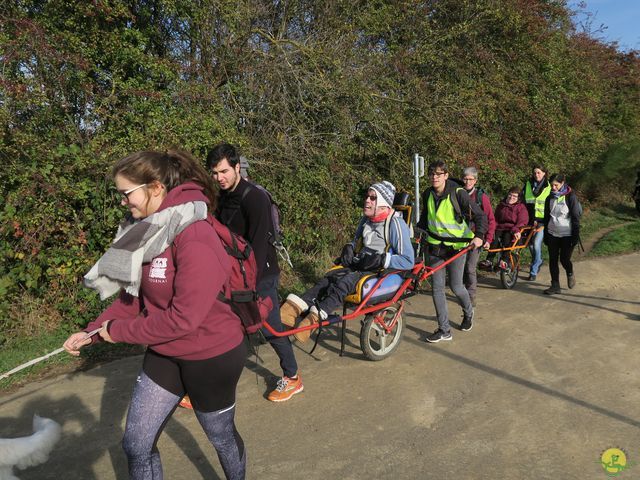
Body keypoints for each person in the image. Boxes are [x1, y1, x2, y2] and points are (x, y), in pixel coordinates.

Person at [63, 150, 247, 480]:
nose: (123, 202)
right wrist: (92, 332)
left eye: (126, 193)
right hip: (166, 351)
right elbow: (131, 299)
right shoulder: (143, 232)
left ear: (156, 187)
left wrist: (117, 332)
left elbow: (184, 319)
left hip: (211, 354)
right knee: (136, 444)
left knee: (220, 437)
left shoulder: (195, 234)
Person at [207, 143, 302, 403]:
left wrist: (250, 286)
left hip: (260, 274)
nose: (220, 178)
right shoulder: (223, 197)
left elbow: (260, 244)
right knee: (219, 328)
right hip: (232, 274)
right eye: (215, 173)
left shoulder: (255, 198)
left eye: (224, 171)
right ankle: (207, 386)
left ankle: (292, 377)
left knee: (271, 328)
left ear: (238, 167)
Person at [279, 181, 414, 342]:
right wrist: (349, 247)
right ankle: (290, 311)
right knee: (328, 279)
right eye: (367, 196)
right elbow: (355, 241)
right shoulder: (366, 220)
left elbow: (408, 260)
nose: (367, 201)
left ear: (384, 204)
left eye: (372, 198)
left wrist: (382, 259)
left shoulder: (396, 224)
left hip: (378, 271)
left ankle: (313, 320)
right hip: (360, 263)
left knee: (344, 283)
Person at [416, 160, 487, 343]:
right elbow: (425, 218)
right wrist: (417, 232)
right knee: (437, 289)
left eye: (438, 174)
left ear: (446, 176)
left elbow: (480, 216)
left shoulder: (458, 193)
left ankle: (468, 313)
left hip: (457, 248)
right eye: (432, 174)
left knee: (456, 287)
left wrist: (479, 235)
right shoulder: (427, 194)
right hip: (435, 248)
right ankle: (444, 329)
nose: (434, 177)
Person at [460, 167, 496, 306]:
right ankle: (462, 290)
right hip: (460, 236)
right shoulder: (457, 193)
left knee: (470, 267)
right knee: (461, 266)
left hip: (476, 237)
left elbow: (490, 219)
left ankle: (471, 295)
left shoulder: (482, 198)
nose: (467, 181)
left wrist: (488, 239)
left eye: (470, 179)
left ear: (475, 180)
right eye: (465, 178)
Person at [543, 173, 581, 295]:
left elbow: (575, 218)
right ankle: (555, 285)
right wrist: (545, 235)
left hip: (567, 235)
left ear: (562, 183)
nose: (553, 188)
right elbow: (546, 217)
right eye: (551, 185)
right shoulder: (549, 198)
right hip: (552, 233)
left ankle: (570, 273)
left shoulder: (571, 197)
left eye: (556, 185)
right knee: (553, 260)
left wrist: (575, 237)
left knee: (564, 260)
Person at [481, 187, 529, 270]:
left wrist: (516, 230)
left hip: (512, 229)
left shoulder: (521, 207)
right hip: (500, 227)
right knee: (493, 237)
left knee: (507, 237)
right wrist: (491, 227)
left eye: (514, 196)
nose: (511, 197)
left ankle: (504, 261)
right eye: (510, 195)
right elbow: (495, 219)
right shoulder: (501, 205)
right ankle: (489, 260)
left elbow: (522, 221)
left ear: (518, 198)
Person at [522, 164, 551, 281]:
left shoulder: (549, 186)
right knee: (529, 245)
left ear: (544, 173)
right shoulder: (528, 184)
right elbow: (522, 200)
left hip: (542, 222)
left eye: (539, 172)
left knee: (536, 244)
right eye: (535, 173)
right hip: (528, 221)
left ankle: (533, 272)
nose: (536, 175)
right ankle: (538, 260)